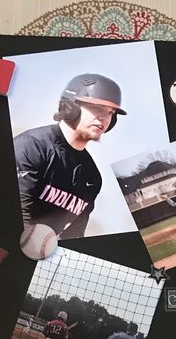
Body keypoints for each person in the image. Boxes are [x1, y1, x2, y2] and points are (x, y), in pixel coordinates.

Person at [14, 74, 125, 238]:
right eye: (97, 108)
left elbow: (75, 235)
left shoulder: (92, 177)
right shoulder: (31, 147)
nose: (104, 117)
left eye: (110, 112)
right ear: (70, 107)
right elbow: (16, 215)